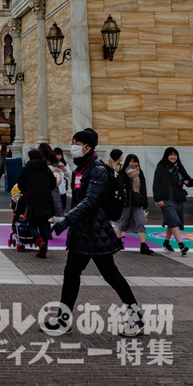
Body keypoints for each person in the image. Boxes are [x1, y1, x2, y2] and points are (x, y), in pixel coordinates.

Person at [47, 128, 143, 337]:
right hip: (83, 230)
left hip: (94, 231)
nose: (73, 146)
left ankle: (136, 319)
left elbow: (91, 201)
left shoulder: (97, 169)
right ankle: (63, 320)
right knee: (71, 273)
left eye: (77, 142)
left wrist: (67, 220)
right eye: (73, 141)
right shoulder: (81, 169)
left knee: (111, 275)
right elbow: (80, 200)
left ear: (88, 147)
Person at [153, 146, 193, 255]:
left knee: (172, 222)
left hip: (177, 199)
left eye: (175, 155)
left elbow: (188, 180)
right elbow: (156, 184)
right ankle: (181, 245)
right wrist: (158, 199)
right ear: (166, 156)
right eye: (171, 155)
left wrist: (188, 182)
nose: (173, 157)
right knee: (174, 221)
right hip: (166, 200)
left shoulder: (179, 167)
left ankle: (166, 243)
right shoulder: (161, 167)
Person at [17, 149, 57, 257]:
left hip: (33, 199)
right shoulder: (46, 169)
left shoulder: (27, 169)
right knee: (44, 225)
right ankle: (44, 248)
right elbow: (53, 183)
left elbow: (20, 184)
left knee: (32, 224)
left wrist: (26, 191)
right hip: (46, 199)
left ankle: (39, 242)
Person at [115, 153, 153, 255]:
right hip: (126, 202)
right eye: (132, 161)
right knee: (123, 221)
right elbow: (119, 188)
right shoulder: (122, 173)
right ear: (128, 162)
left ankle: (143, 245)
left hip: (137, 201)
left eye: (136, 162)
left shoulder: (139, 173)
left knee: (140, 221)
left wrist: (144, 203)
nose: (134, 164)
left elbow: (143, 188)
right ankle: (117, 241)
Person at [38, 142, 64, 220]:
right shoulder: (54, 160)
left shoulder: (41, 162)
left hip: (44, 187)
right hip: (55, 186)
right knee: (56, 207)